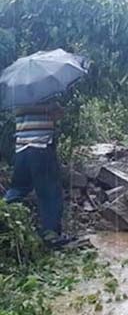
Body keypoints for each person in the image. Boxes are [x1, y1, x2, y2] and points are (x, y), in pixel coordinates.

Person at [3, 102, 68, 245]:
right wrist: (49, 108)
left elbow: (23, 111)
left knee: (18, 188)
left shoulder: (17, 92)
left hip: (22, 148)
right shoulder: (41, 95)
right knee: (50, 193)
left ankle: (3, 216)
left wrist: (53, 112)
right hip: (40, 146)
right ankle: (51, 235)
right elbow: (52, 113)